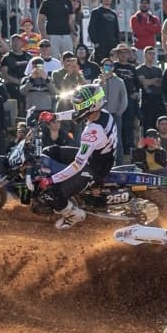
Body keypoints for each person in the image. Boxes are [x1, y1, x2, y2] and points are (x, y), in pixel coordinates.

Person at [33, 83, 117, 229]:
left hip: (95, 168)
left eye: (79, 105)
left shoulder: (92, 132)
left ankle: (74, 215)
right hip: (96, 155)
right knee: (50, 151)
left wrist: (51, 180)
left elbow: (77, 165)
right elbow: (77, 113)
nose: (76, 108)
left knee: (51, 194)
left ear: (90, 105)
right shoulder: (103, 114)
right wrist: (54, 116)